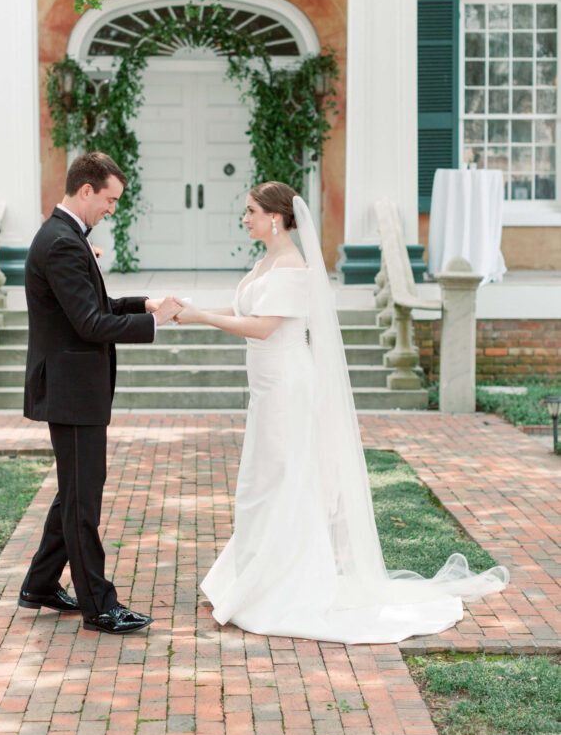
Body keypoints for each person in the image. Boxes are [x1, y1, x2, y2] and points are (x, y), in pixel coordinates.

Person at [175, 182, 508, 644]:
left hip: (289, 388)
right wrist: (186, 309)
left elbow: (265, 328)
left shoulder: (292, 265)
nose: (244, 218)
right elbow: (240, 309)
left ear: (276, 217)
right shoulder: (266, 262)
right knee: (261, 481)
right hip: (267, 389)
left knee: (284, 481)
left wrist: (201, 319)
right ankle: (253, 578)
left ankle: (283, 586)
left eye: (250, 211)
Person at [19, 151, 182, 634]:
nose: (112, 209)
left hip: (75, 389)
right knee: (81, 500)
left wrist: (145, 303)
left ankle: (40, 584)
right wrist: (154, 323)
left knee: (75, 492)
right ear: (86, 190)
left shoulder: (64, 236)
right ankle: (99, 606)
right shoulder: (64, 243)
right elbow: (91, 324)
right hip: (71, 391)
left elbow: (94, 306)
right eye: (109, 200)